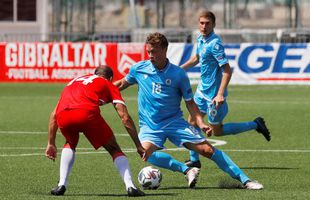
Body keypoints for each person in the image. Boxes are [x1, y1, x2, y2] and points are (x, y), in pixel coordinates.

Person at [115, 32, 263, 190]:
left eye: (154, 51)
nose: (150, 55)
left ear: (165, 50)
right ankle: (186, 169)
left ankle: (246, 180)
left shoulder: (178, 74)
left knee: (207, 150)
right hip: (151, 126)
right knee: (145, 152)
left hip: (175, 123)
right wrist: (101, 91)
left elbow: (190, 104)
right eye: (148, 51)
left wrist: (200, 122)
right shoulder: (139, 68)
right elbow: (122, 83)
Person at [180, 10, 271, 168]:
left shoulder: (215, 44)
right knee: (192, 122)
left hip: (214, 97)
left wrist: (220, 94)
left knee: (218, 131)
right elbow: (196, 58)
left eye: (207, 23)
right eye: (201, 23)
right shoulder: (201, 39)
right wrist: (180, 70)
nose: (204, 26)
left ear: (214, 25)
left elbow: (227, 70)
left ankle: (256, 124)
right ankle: (194, 160)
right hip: (202, 91)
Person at [45, 65, 147, 197]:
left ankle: (61, 184)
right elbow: (125, 117)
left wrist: (51, 143)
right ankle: (130, 186)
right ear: (110, 78)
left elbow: (54, 114)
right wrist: (138, 145)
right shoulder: (108, 84)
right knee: (114, 149)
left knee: (70, 142)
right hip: (86, 114)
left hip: (63, 115)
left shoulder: (75, 81)